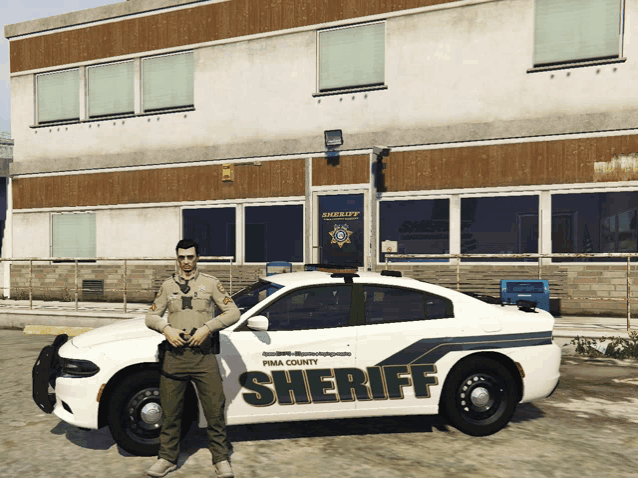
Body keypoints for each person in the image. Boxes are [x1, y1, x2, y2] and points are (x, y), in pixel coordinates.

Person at [145, 238, 240, 478]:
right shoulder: (167, 286)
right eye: (181, 257)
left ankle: (220, 459)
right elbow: (151, 316)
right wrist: (166, 329)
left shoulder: (211, 284)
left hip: (203, 356)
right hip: (175, 357)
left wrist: (208, 328)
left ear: (197, 257)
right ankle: (166, 458)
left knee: (214, 411)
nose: (186, 262)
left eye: (190, 257)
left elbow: (233, 312)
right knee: (170, 412)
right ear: (176, 258)